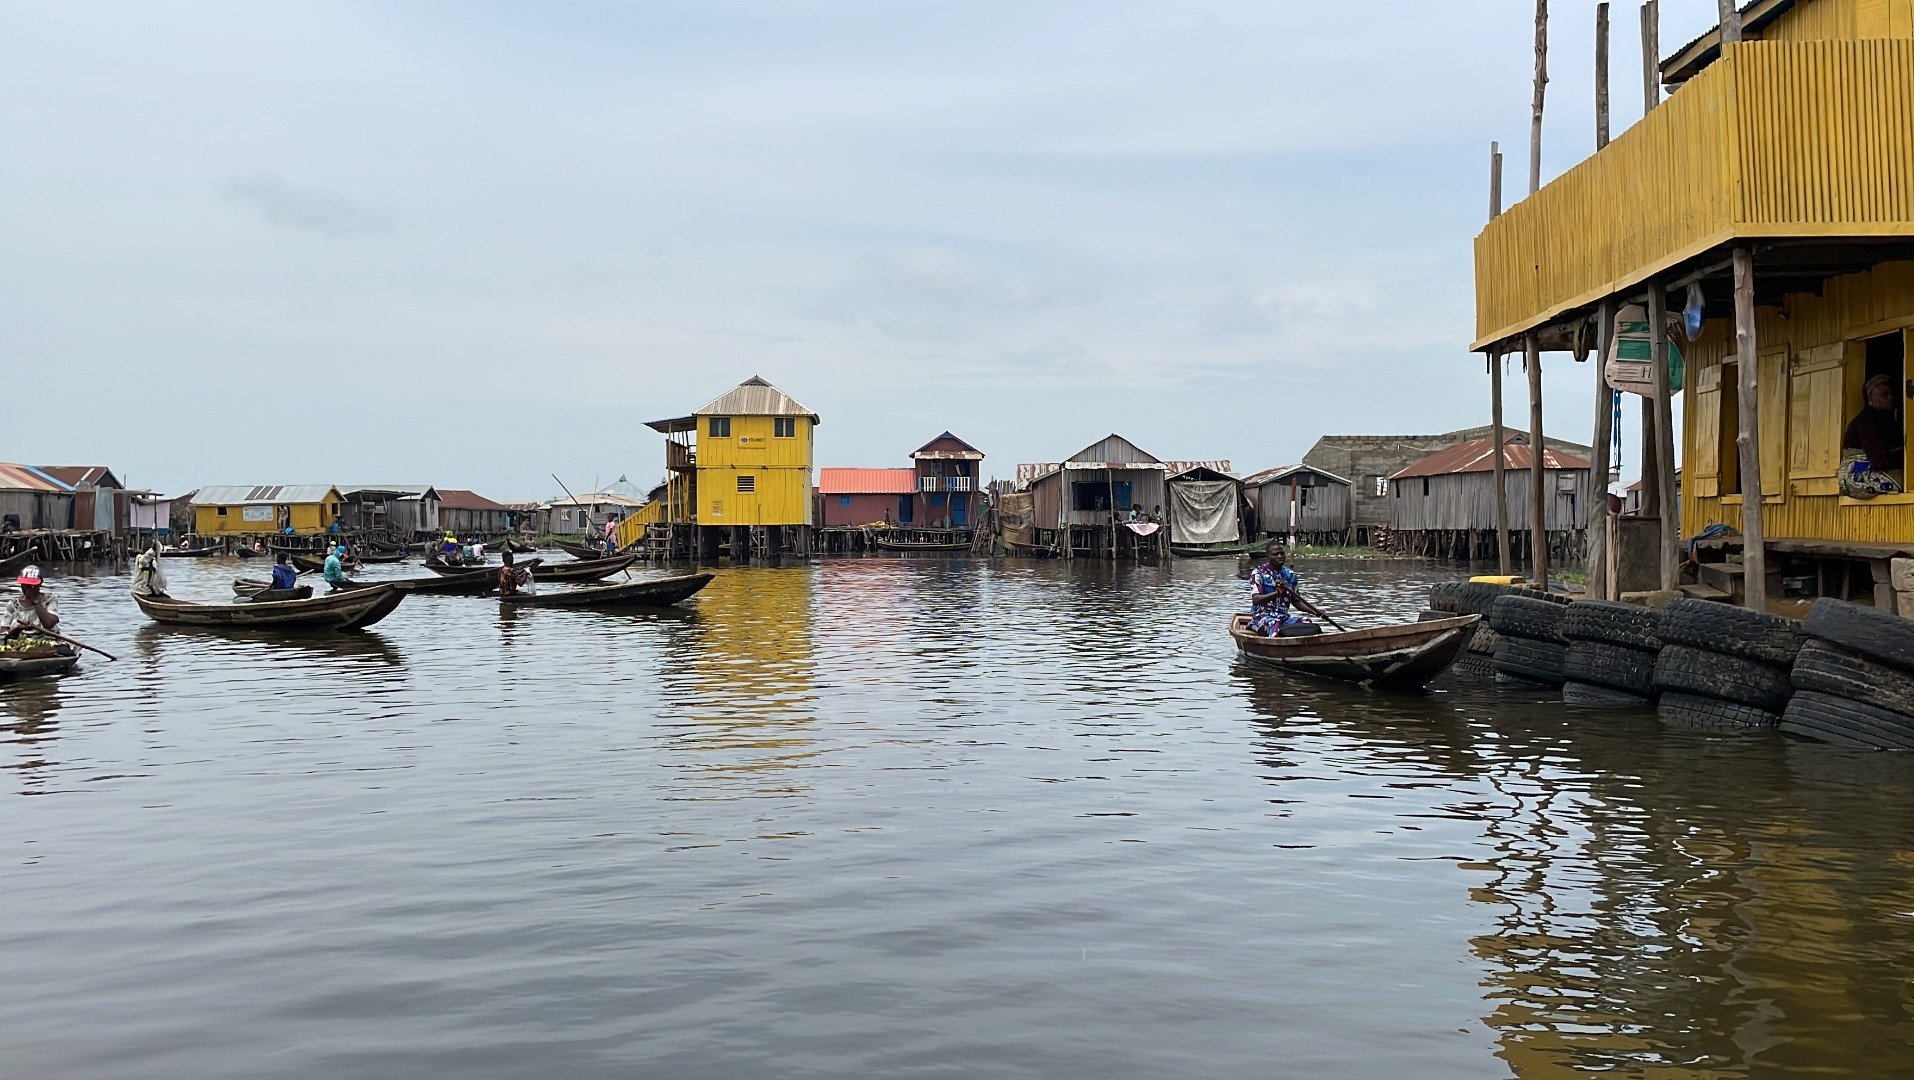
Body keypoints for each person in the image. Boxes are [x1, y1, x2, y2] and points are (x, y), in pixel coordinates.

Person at [1247, 540, 1327, 637]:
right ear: (1267, 556)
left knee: (1307, 622)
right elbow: (1256, 600)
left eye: (1282, 553)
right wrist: (1276, 593)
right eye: (1275, 554)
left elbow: (1297, 601)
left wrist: (1316, 612)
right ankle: (1275, 648)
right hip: (1261, 617)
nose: (1280, 556)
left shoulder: (1290, 575)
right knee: (1274, 624)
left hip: (1283, 618)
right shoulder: (1258, 573)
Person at [1843, 373, 1904, 475]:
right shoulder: (1866, 421)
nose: (1890, 398)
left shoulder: (1888, 420)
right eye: (1884, 394)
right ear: (1870, 398)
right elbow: (1879, 461)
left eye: (1891, 393)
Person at [4, 566, 60, 639]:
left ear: (40, 583)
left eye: (32, 586)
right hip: (20, 641)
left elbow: (49, 624)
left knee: (63, 650)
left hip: (47, 639)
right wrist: (19, 628)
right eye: (25, 585)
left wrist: (35, 600)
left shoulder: (49, 599)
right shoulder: (13, 604)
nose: (28, 588)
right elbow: (3, 631)